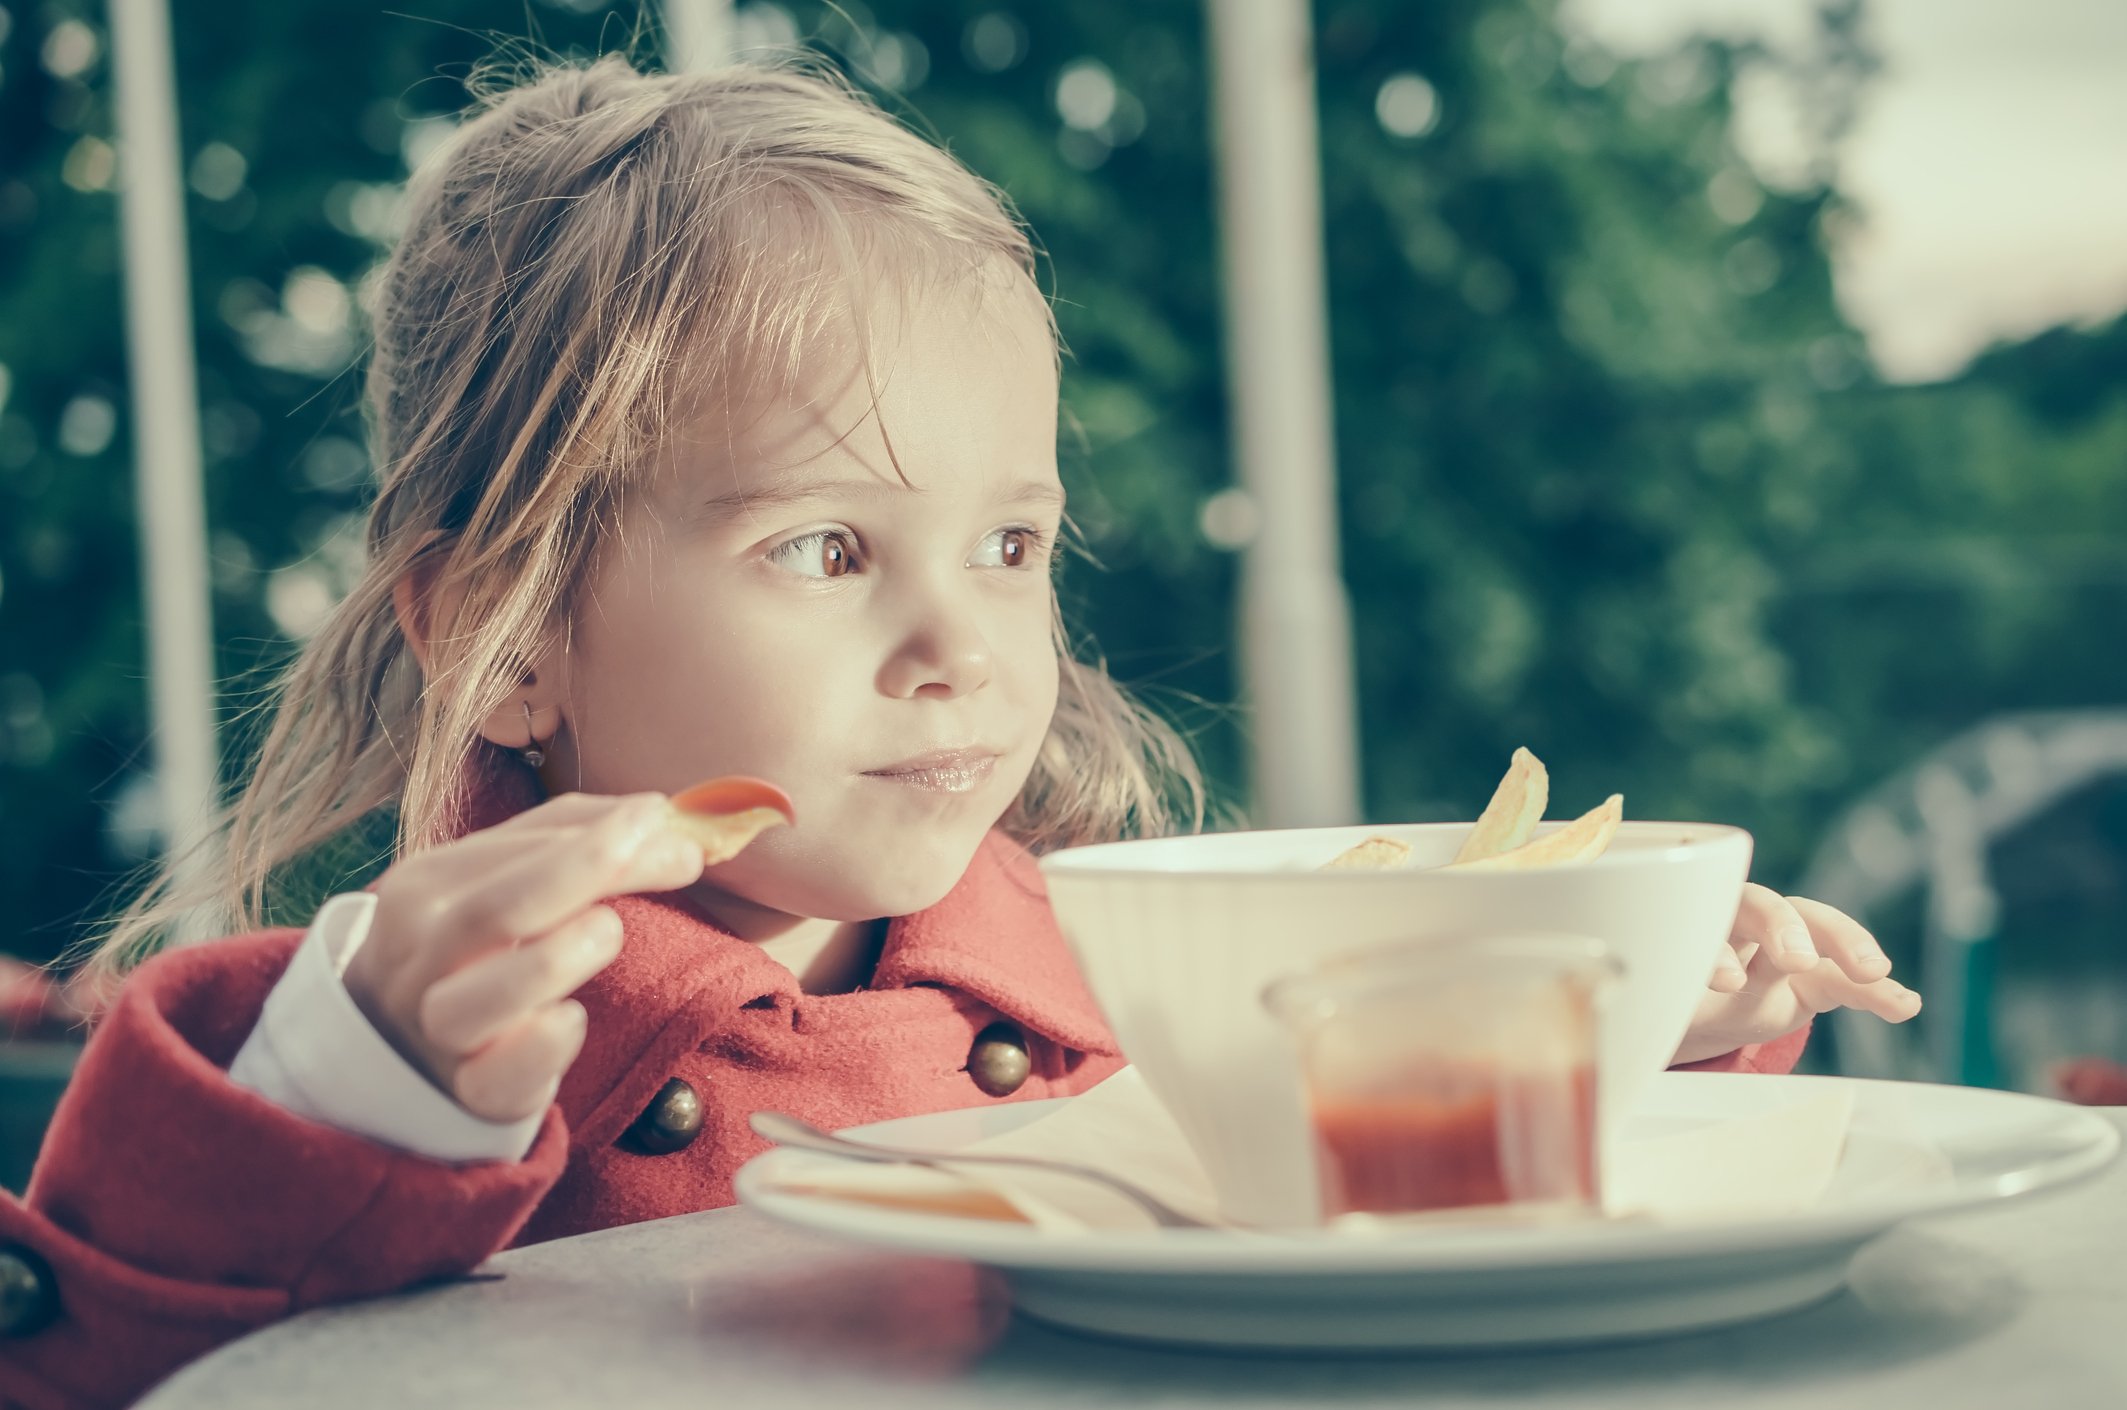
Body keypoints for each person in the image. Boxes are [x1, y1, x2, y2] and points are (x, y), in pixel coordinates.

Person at [0, 53, 1918, 1408]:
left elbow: (1399, 1252)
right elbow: (112, 1371)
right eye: (826, 545)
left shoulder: (1135, 971)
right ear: (501, 635)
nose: (963, 645)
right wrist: (356, 1092)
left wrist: (1619, 1027)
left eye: (1011, 540)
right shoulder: (401, 1040)